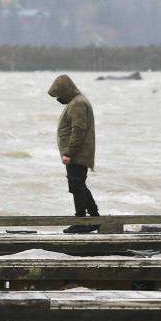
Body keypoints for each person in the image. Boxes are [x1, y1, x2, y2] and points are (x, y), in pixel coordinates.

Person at [48, 74, 99, 233]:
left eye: (59, 95)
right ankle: (95, 218)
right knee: (79, 185)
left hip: (77, 154)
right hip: (78, 153)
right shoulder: (77, 102)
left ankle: (81, 221)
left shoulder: (77, 104)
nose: (58, 99)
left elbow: (78, 131)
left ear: (66, 91)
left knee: (77, 186)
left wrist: (69, 153)